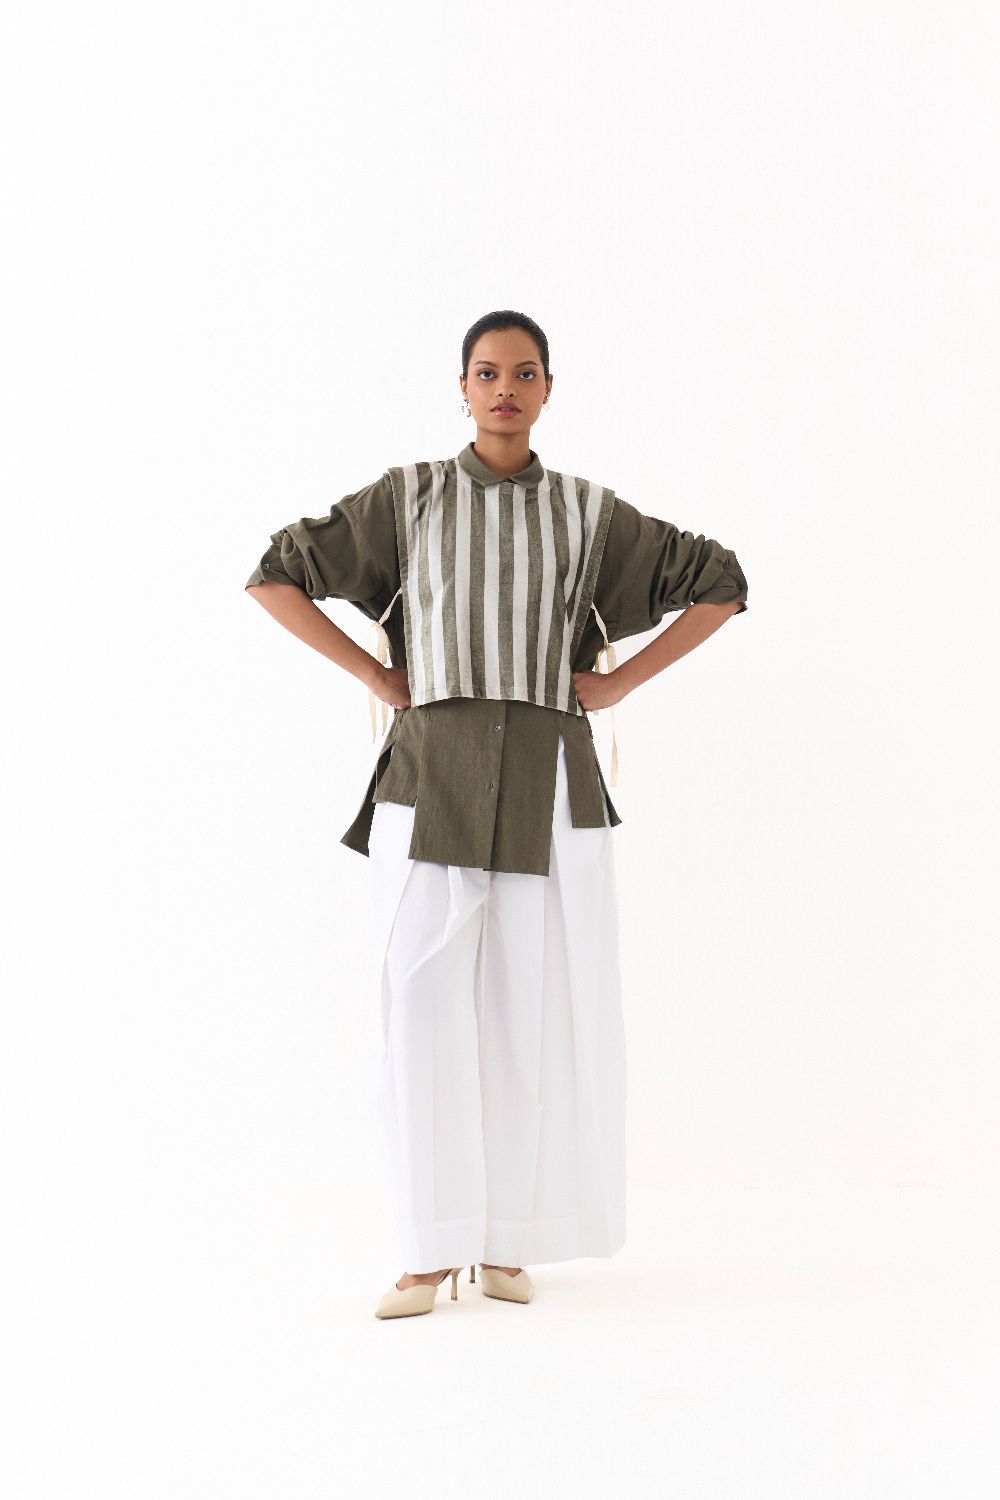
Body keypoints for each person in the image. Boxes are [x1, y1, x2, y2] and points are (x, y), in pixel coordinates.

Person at [245, 309, 749, 1319]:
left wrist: (619, 684)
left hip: (545, 786)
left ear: (548, 387)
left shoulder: (588, 513)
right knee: (421, 1005)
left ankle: (504, 1241)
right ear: (463, 386)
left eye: (524, 373)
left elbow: (720, 582)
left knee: (530, 1009)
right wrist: (376, 675)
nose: (505, 390)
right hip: (430, 779)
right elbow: (277, 573)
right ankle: (428, 1249)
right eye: (487, 373)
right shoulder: (408, 498)